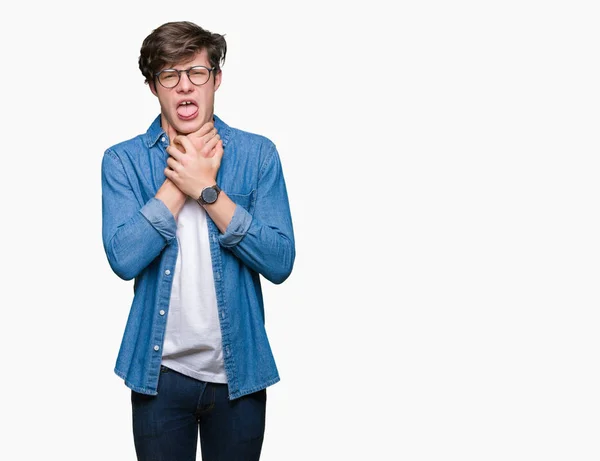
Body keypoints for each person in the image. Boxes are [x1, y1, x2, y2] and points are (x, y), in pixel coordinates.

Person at [101, 20, 295, 461]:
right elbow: (124, 257)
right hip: (159, 374)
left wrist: (209, 192)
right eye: (170, 74)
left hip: (239, 371)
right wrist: (180, 182)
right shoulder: (123, 161)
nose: (185, 87)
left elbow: (280, 261)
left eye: (197, 73)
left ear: (217, 79)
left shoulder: (256, 154)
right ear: (154, 86)